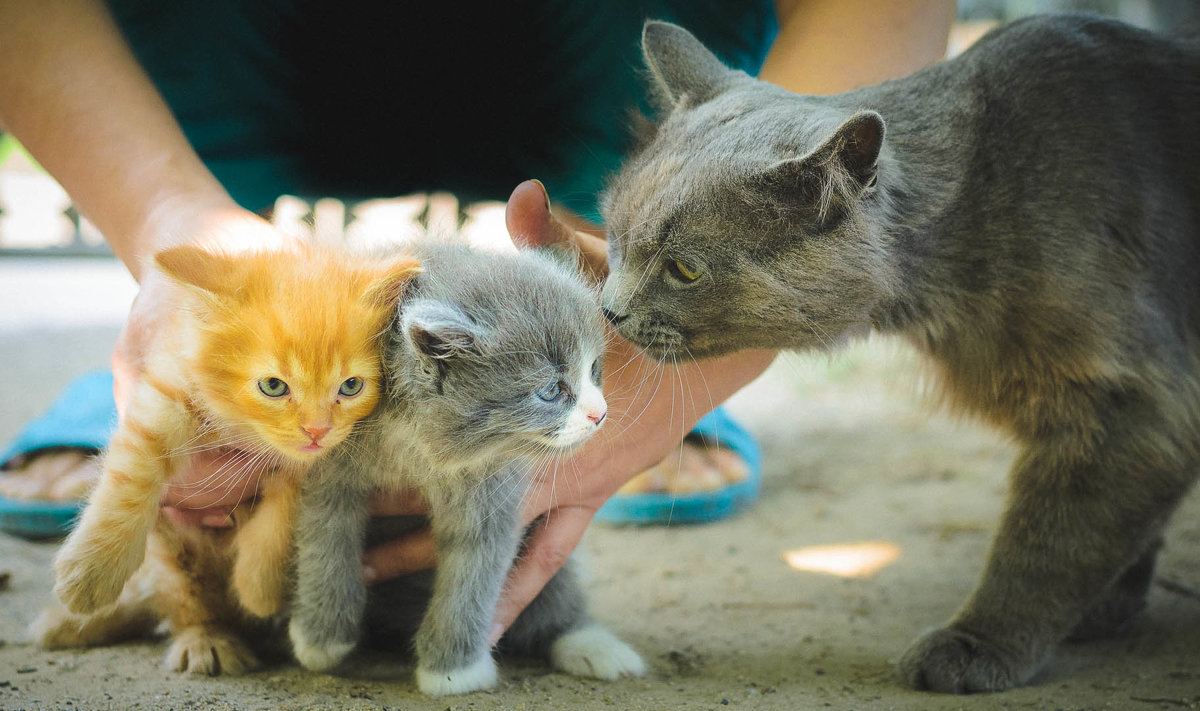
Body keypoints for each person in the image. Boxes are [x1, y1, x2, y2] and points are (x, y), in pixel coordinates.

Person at [0, 0, 953, 641]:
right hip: (253, 50)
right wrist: (171, 222)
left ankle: (651, 343)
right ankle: (186, 365)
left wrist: (695, 361)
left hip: (593, 51)